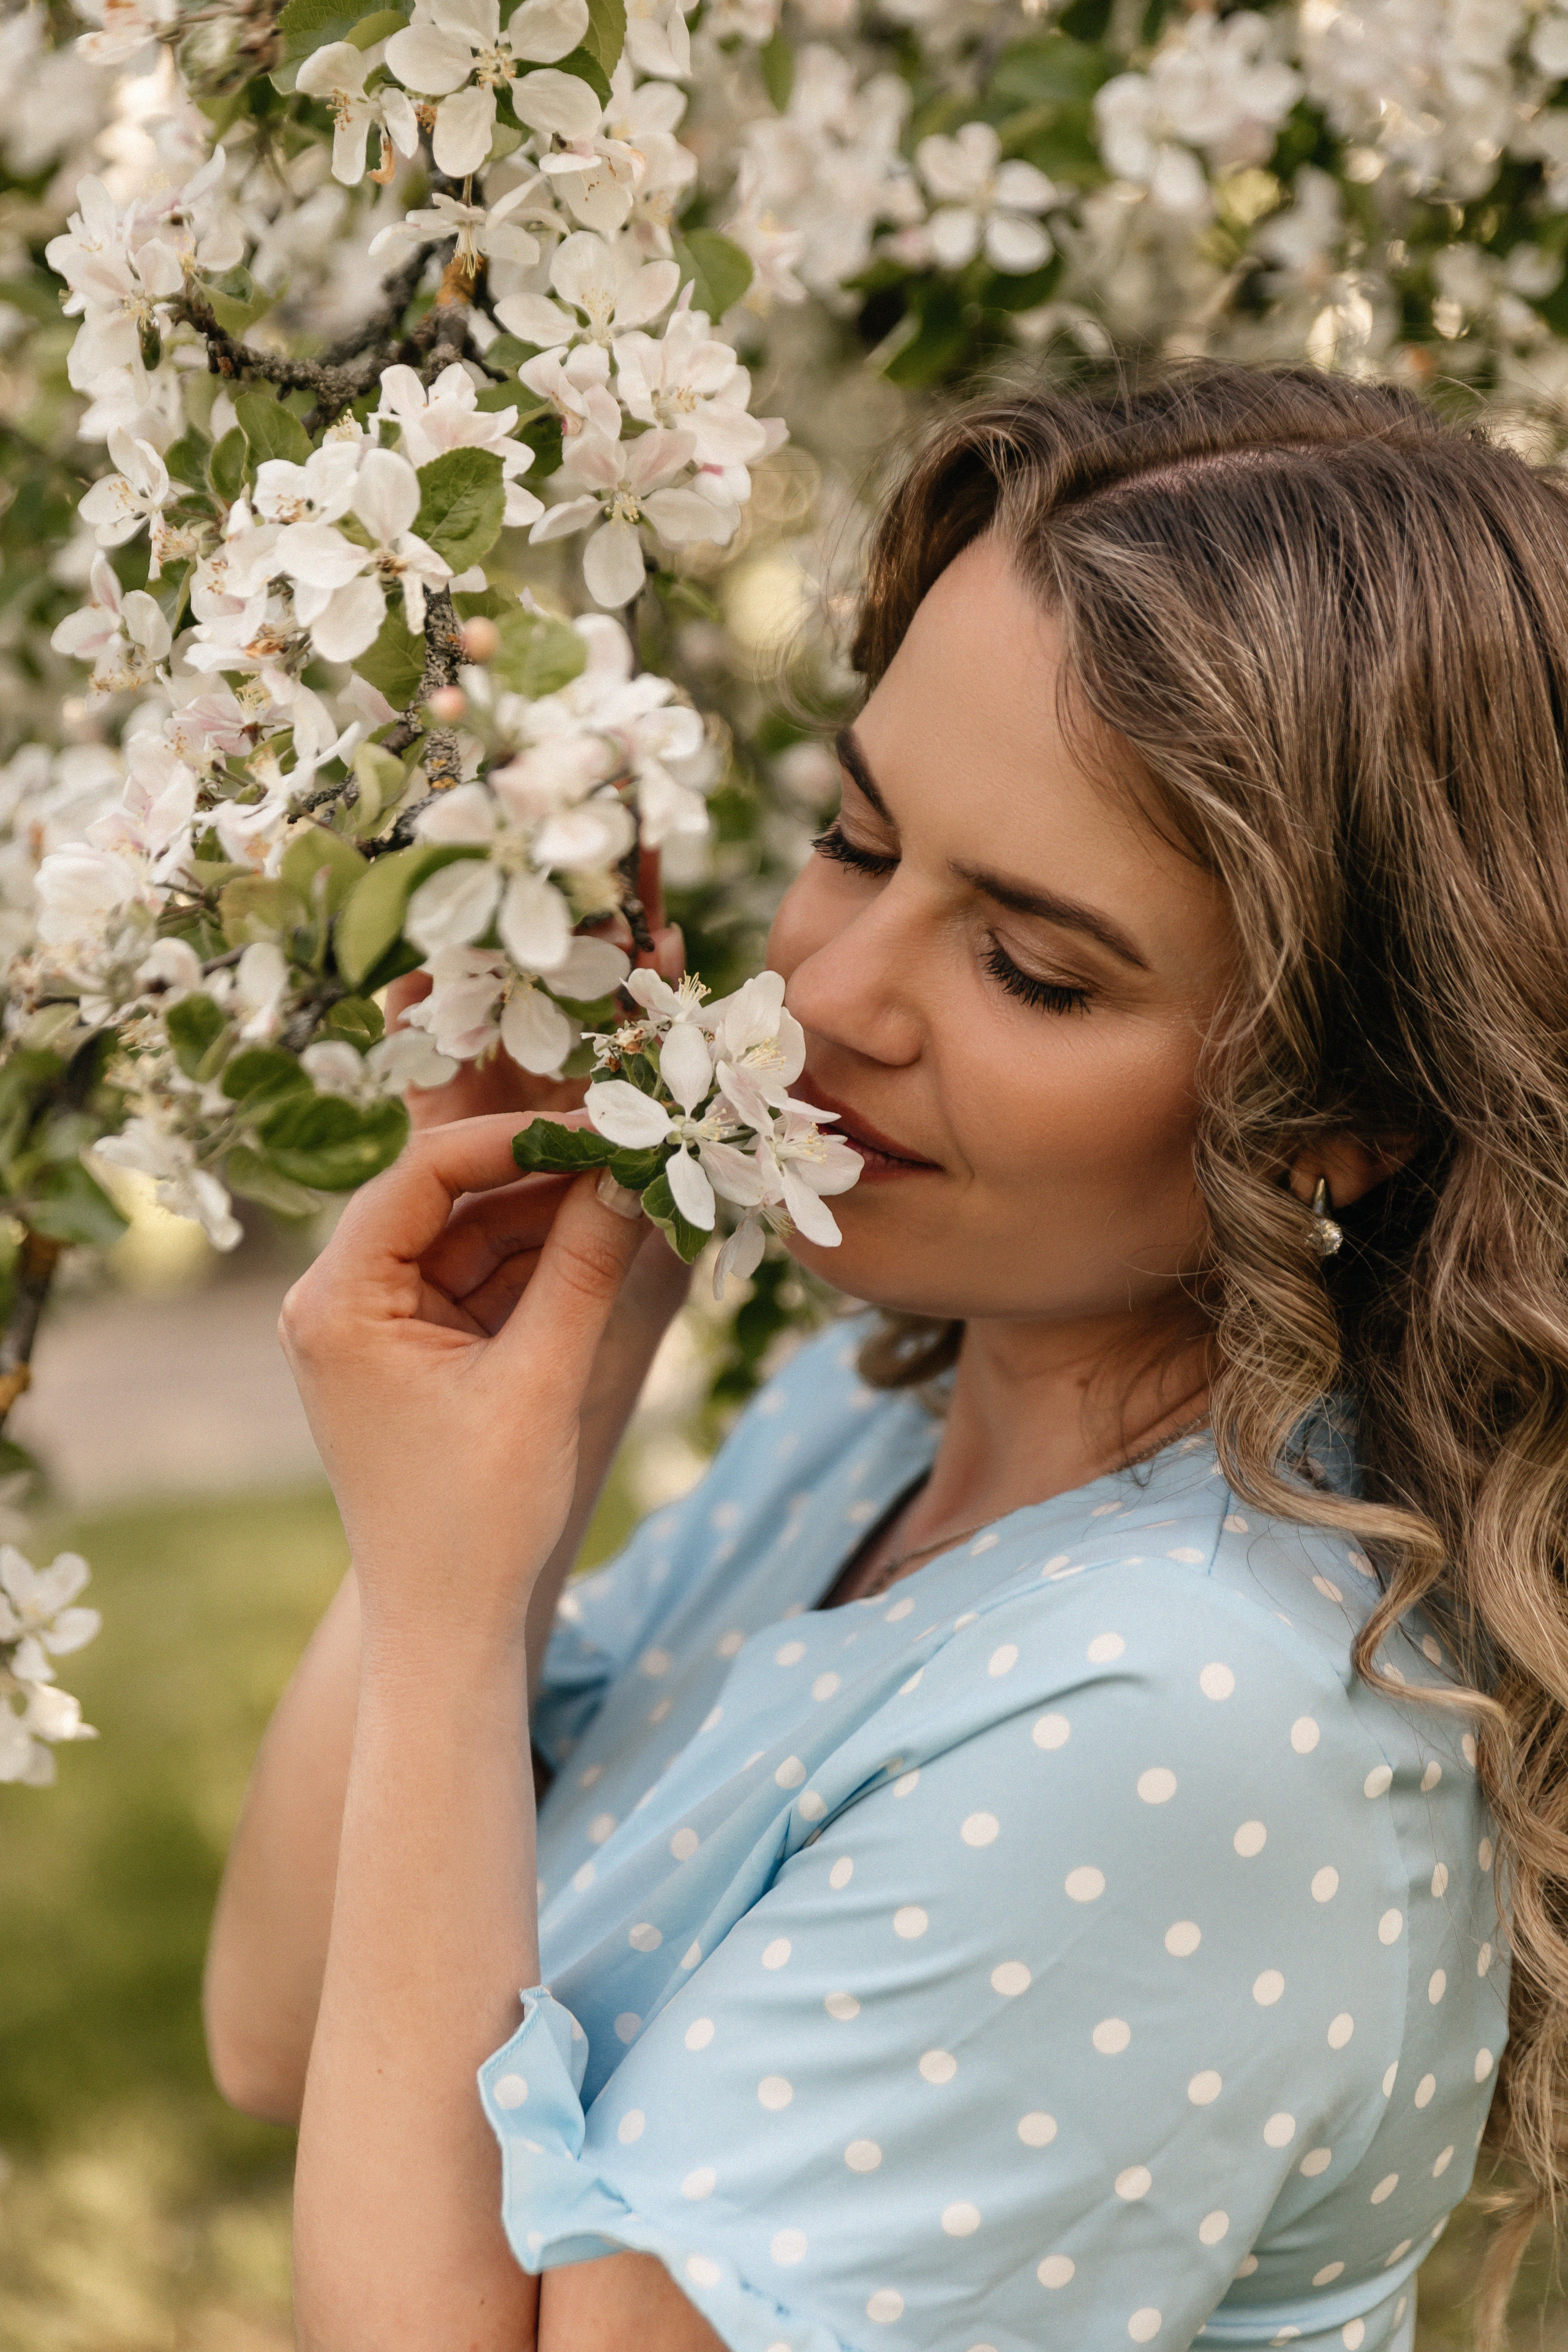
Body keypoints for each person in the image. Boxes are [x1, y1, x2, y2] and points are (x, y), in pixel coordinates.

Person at [201, 365, 1568, 2352]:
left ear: (1350, 1112)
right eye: (855, 840)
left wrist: (442, 1597)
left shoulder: (1189, 1727)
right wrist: (556, 1370)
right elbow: (284, 2023)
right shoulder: (876, 1423)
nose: (822, 999)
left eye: (1031, 965)